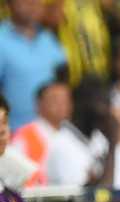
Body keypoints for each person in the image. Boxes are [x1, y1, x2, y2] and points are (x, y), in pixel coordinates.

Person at [0, 0, 68, 130]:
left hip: (51, 135)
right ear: (9, 4)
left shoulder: (50, 39)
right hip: (15, 137)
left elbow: (63, 84)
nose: (33, 3)